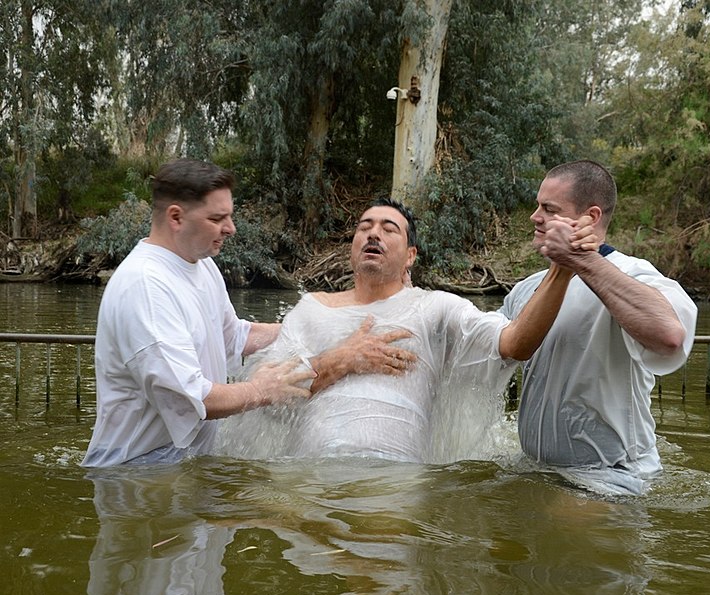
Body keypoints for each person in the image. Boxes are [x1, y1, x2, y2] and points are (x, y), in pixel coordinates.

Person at [82, 159, 415, 468]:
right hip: (133, 472)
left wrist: (322, 324)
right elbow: (192, 396)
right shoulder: (146, 287)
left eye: (230, 215)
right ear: (175, 217)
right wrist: (261, 391)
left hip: (184, 464)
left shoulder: (202, 266)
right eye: (217, 219)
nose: (231, 228)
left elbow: (237, 336)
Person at [215, 196, 594, 464]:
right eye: (364, 228)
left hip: (394, 479)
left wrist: (563, 268)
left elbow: (514, 345)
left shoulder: (435, 308)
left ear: (410, 255)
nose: (373, 234)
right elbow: (270, 399)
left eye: (388, 229)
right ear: (352, 247)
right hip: (308, 475)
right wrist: (342, 359)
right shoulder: (311, 308)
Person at [499, 160, 698, 495]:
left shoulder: (635, 274)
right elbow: (493, 354)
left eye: (548, 208)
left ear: (589, 218)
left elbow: (670, 337)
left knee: (565, 529)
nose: (534, 217)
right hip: (533, 468)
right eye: (538, 206)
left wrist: (582, 259)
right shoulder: (525, 289)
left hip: (613, 476)